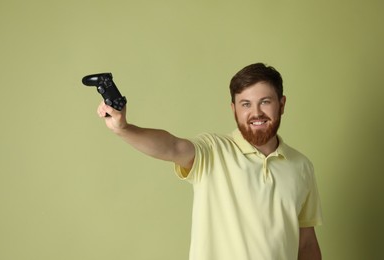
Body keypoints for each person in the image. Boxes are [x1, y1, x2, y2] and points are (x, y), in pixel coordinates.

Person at [97, 63, 323, 260]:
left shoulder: (301, 167)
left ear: (281, 104)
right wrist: (124, 129)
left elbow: (306, 243)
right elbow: (173, 146)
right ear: (233, 109)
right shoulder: (214, 150)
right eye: (246, 104)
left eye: (265, 102)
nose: (256, 112)